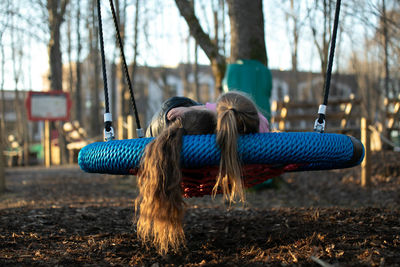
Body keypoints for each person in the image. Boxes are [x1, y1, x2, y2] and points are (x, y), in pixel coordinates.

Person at [136, 108, 216, 255]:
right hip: (169, 116)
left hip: (180, 113)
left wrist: (194, 109)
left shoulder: (166, 138)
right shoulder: (160, 135)